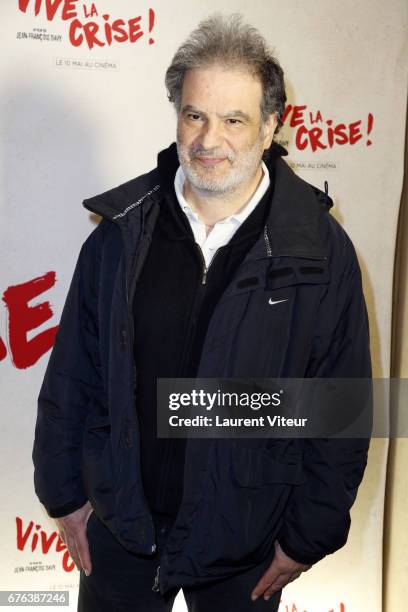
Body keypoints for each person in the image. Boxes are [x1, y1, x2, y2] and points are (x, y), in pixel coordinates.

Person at [32, 12, 372, 612]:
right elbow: (72, 374)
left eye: (233, 120)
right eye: (195, 115)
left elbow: (341, 411)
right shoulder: (121, 232)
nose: (209, 141)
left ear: (269, 127)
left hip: (249, 543)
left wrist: (304, 538)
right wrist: (63, 495)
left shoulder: (321, 252)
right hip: (122, 534)